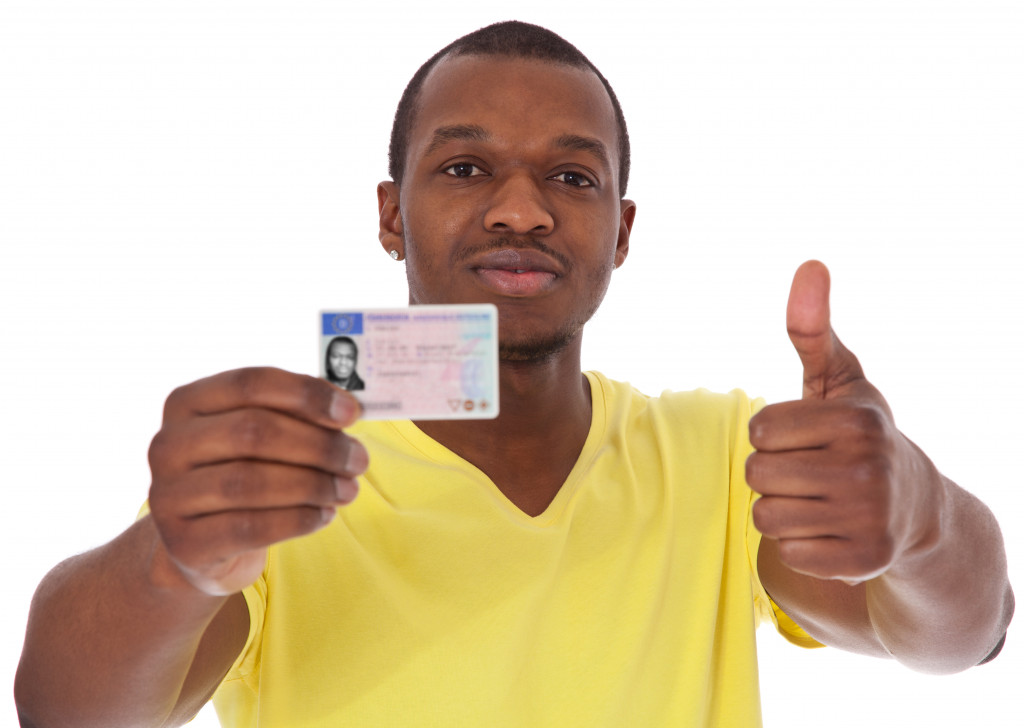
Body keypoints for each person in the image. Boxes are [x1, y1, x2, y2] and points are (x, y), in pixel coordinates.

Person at [15, 20, 1013, 728]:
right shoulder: (274, 478)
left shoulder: (723, 456)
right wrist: (172, 560)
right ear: (389, 215)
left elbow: (960, 639)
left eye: (571, 177)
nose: (521, 210)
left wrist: (918, 514)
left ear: (621, 231)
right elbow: (63, 709)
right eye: (464, 169)